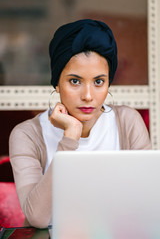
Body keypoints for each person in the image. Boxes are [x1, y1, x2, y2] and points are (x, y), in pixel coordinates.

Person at [9, 19, 151, 229]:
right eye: (75, 81)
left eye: (98, 82)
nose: (87, 96)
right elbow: (38, 217)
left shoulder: (127, 122)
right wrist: (70, 138)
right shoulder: (27, 135)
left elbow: (147, 201)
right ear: (57, 83)